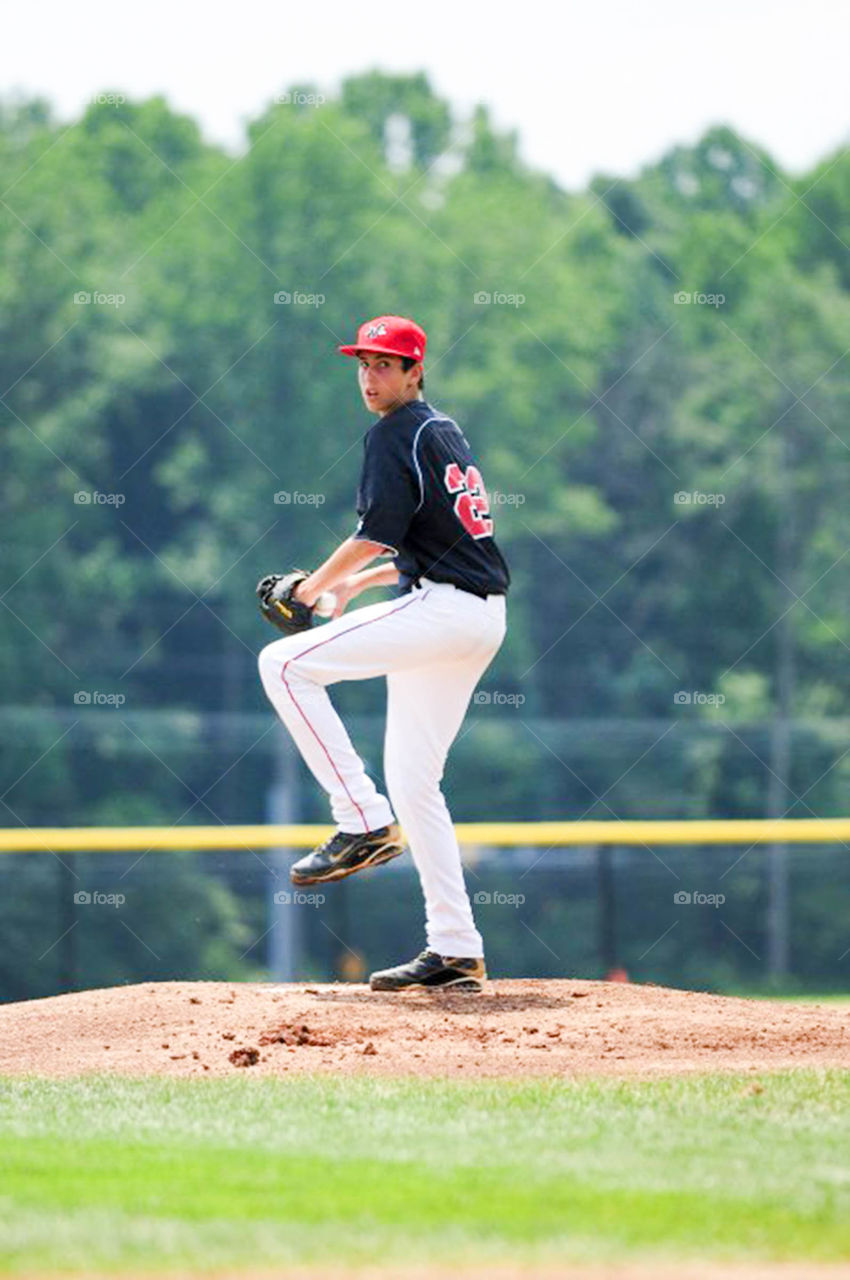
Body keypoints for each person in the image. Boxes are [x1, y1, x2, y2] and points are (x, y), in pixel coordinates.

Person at [258, 314, 510, 992]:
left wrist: (312, 588)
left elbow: (372, 536)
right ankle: (456, 947)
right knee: (416, 784)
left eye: (385, 364)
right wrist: (345, 588)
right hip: (474, 617)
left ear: (414, 370)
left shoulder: (393, 433)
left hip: (447, 611)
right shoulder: (441, 431)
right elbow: (410, 546)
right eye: (363, 363)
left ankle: (360, 822)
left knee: (281, 664)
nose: (370, 376)